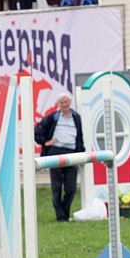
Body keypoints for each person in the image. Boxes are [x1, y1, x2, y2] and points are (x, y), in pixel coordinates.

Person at [34, 91, 85, 222]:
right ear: (58, 104)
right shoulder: (53, 117)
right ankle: (60, 216)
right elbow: (38, 131)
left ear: (70, 103)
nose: (64, 104)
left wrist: (82, 154)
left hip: (72, 153)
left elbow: (80, 136)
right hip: (55, 152)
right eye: (61, 102)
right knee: (56, 186)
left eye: (66, 102)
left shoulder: (76, 117)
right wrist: (46, 142)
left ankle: (66, 212)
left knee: (71, 188)